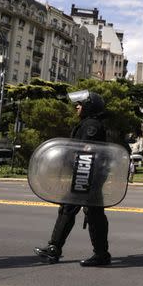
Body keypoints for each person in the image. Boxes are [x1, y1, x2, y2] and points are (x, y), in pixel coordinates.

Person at [34, 90, 112, 266]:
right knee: (83, 212)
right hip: (84, 176)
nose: (77, 106)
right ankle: (58, 248)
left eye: (80, 104)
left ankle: (60, 248)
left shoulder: (91, 126)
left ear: (89, 107)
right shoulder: (88, 124)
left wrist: (80, 175)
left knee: (84, 213)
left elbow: (87, 153)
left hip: (86, 176)